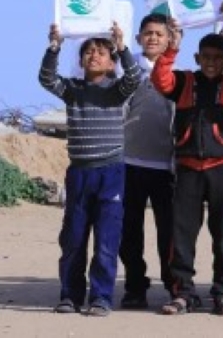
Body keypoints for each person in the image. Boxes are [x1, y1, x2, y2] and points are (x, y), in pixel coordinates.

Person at [40, 22, 141, 316]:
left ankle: (101, 297)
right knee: (73, 238)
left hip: (111, 173)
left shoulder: (116, 91)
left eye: (100, 52)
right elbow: (46, 78)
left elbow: (133, 77)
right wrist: (54, 46)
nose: (94, 55)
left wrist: (121, 46)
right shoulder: (73, 89)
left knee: (107, 241)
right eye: (88, 52)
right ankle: (70, 295)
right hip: (80, 173)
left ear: (111, 63)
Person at [151, 20, 223, 316]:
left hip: (222, 168)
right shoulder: (184, 82)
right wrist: (172, 47)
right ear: (196, 58)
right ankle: (183, 293)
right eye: (205, 57)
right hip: (188, 167)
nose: (211, 63)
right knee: (181, 233)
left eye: (217, 58)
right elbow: (160, 79)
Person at [117, 13, 177, 310]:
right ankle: (135, 286)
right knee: (129, 231)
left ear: (170, 40)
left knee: (168, 231)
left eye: (159, 34)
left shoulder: (178, 74)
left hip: (165, 166)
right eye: (148, 33)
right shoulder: (127, 73)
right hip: (129, 162)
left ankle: (173, 284)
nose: (153, 37)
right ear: (138, 38)